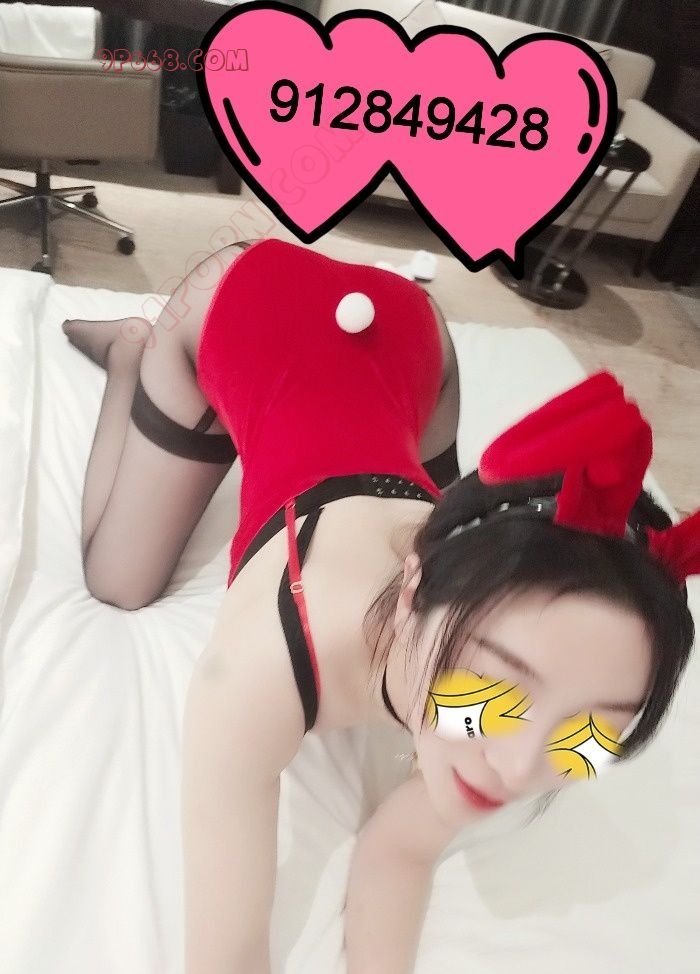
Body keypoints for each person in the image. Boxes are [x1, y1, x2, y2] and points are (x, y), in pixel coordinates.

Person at [62, 238, 697, 974]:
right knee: (118, 580)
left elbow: (399, 851)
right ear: (413, 588)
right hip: (246, 303)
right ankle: (131, 355)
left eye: (589, 736)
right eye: (492, 695)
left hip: (414, 335)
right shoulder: (260, 669)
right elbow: (225, 959)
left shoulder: (511, 694)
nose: (518, 769)